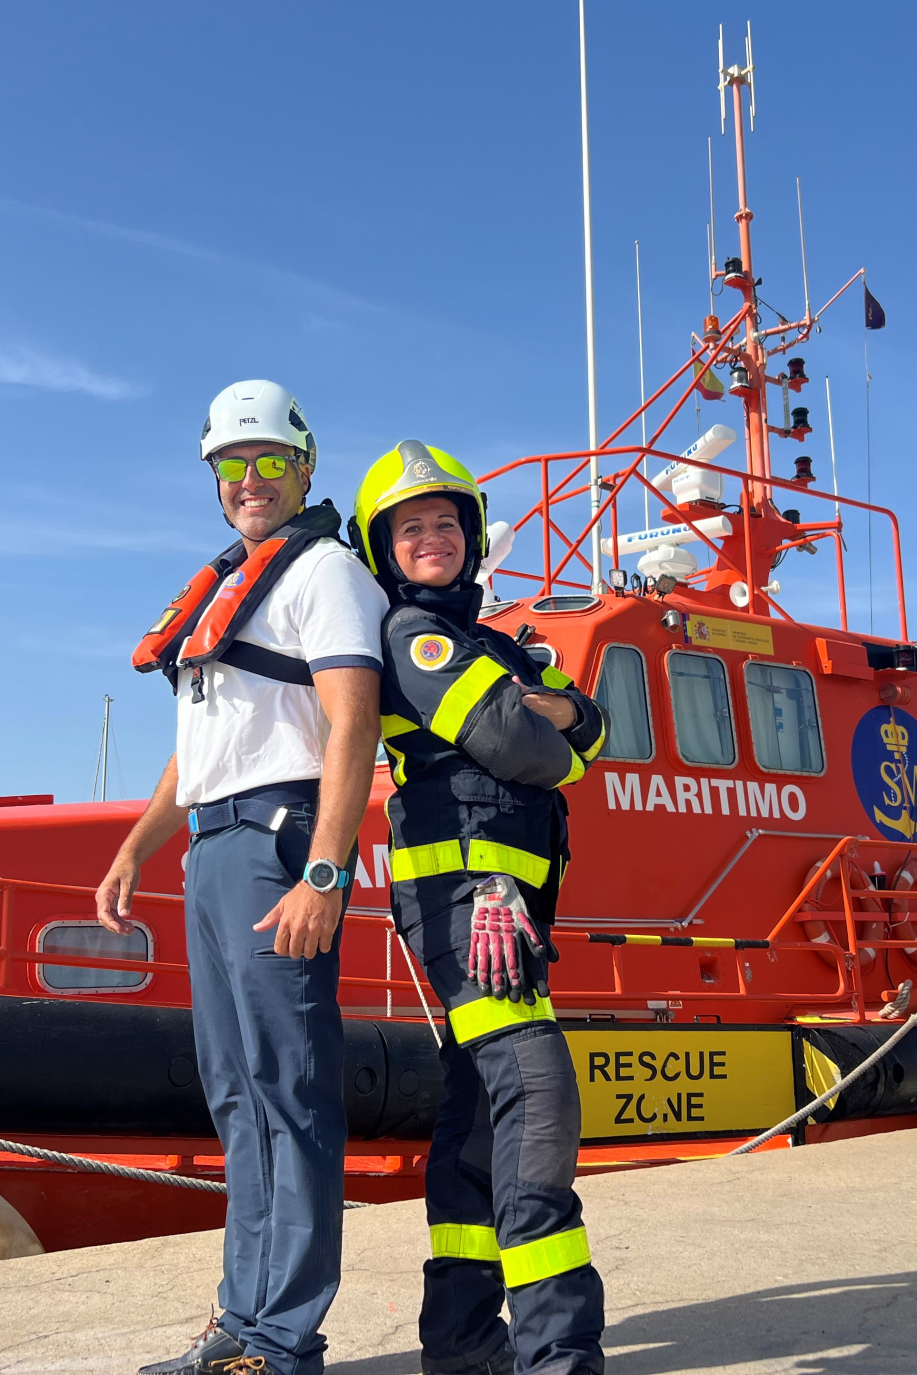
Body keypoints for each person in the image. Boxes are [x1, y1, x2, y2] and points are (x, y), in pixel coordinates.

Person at [97, 380, 387, 1375]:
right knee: (235, 1091)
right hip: (213, 848)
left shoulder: (327, 575)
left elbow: (351, 724)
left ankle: (284, 1338)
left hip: (276, 846)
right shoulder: (232, 583)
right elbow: (201, 748)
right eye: (232, 464)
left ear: (306, 466)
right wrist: (140, 843)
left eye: (268, 460)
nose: (250, 479)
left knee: (288, 1087)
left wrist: (324, 872)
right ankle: (241, 1317)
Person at [349, 440, 608, 1375]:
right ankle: (559, 1357)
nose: (432, 540)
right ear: (383, 550)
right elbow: (523, 744)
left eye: (446, 524)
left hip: (498, 908)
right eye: (410, 528)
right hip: (469, 906)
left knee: (475, 1124)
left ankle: (462, 1349)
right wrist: (557, 721)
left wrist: (563, 719)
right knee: (536, 1099)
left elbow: (591, 725)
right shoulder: (414, 636)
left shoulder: (490, 645)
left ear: (473, 537)